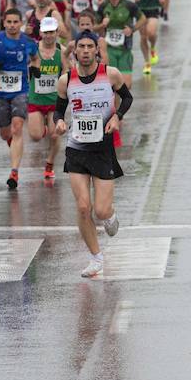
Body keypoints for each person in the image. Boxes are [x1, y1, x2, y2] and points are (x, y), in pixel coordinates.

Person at [53, 31, 133, 278]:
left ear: (96, 51)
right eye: (81, 47)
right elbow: (58, 111)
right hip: (76, 149)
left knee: (100, 210)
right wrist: (58, 122)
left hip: (102, 149)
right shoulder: (66, 80)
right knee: (83, 207)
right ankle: (95, 257)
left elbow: (127, 98)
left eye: (90, 46)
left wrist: (117, 117)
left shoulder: (110, 74)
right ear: (75, 51)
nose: (86, 51)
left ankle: (110, 215)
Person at [0, 8, 41, 190]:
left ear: (21, 23)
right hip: (0, 91)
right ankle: (14, 149)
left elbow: (36, 58)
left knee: (17, 127)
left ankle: (14, 172)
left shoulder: (27, 42)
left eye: (15, 22)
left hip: (21, 90)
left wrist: (35, 68)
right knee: (6, 133)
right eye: (9, 22)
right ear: (4, 23)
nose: (12, 25)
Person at [27, 17, 68, 182]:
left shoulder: (62, 51)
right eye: (46, 32)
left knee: (55, 134)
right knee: (36, 136)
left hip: (54, 101)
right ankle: (42, 127)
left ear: (57, 32)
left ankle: (49, 164)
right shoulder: (33, 50)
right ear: (40, 33)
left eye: (52, 32)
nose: (49, 35)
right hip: (36, 100)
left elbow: (67, 71)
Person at [96, 0, 145, 89]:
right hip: (108, 51)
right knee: (110, 85)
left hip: (124, 50)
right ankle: (114, 106)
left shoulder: (129, 5)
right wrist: (102, 25)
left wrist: (132, 29)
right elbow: (94, 26)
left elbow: (142, 19)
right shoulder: (103, 6)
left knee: (126, 86)